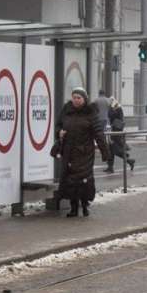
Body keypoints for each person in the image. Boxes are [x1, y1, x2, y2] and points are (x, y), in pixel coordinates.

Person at [56, 87, 110, 217]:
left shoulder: (90, 112)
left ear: (84, 99)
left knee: (84, 180)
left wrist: (105, 151)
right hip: (69, 152)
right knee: (71, 181)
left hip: (85, 152)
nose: (75, 100)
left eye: (78, 98)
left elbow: (98, 133)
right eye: (74, 97)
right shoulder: (67, 110)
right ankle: (73, 208)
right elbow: (58, 125)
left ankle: (85, 205)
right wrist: (59, 132)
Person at [105, 97, 135, 173]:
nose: (109, 103)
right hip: (115, 130)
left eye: (111, 101)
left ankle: (128, 159)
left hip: (116, 131)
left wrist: (111, 107)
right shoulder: (116, 107)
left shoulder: (116, 107)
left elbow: (110, 115)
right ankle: (111, 167)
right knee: (111, 148)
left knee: (114, 149)